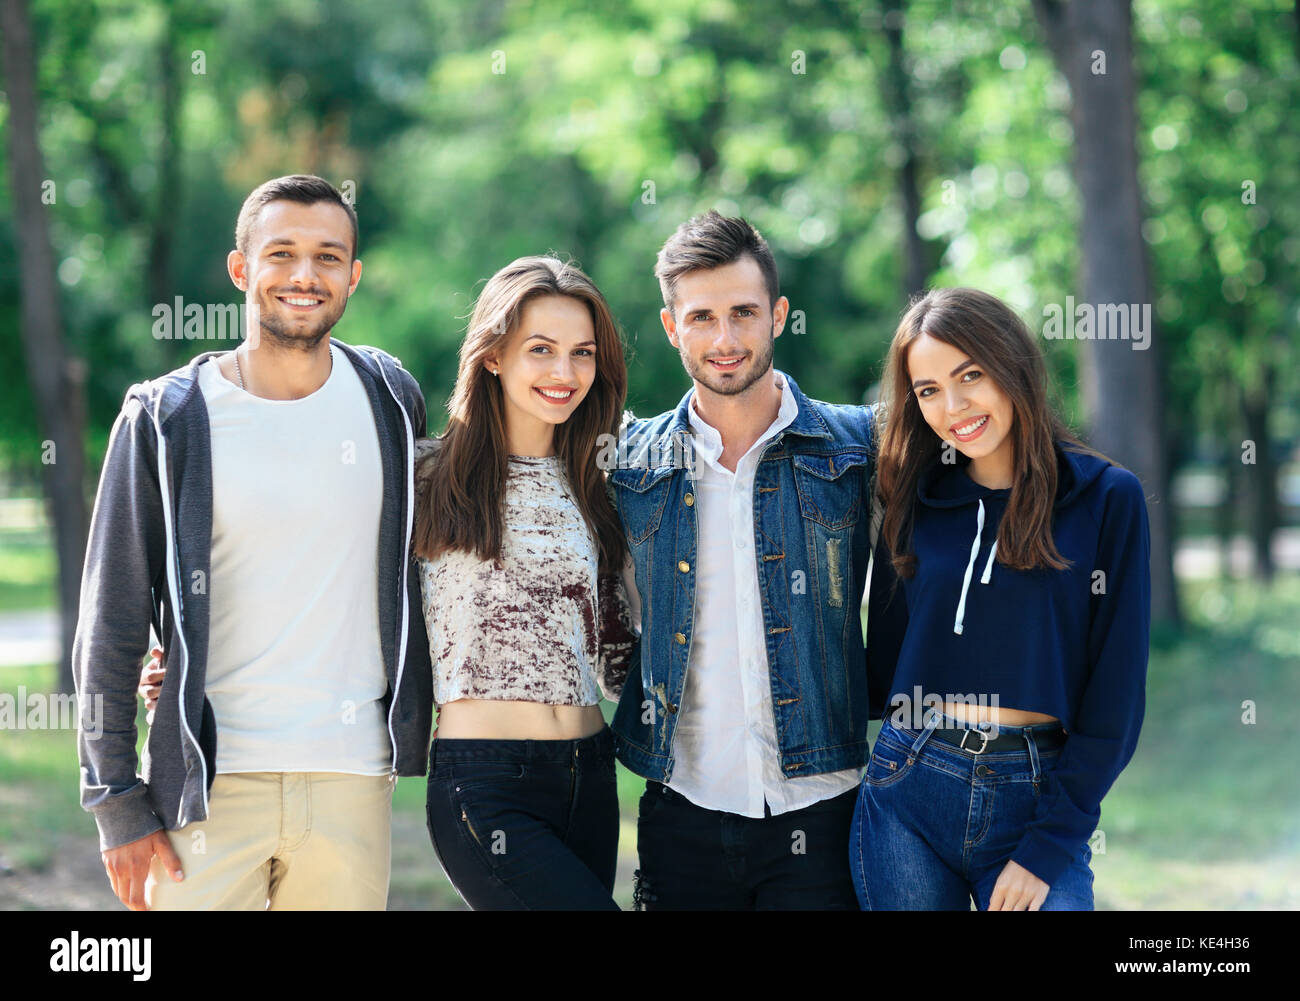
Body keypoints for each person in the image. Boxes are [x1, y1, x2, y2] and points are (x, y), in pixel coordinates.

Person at [75, 174, 432, 911]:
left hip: (352, 779)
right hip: (208, 787)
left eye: (329, 257)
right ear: (242, 270)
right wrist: (116, 801)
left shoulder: (390, 398)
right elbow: (110, 622)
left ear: (353, 276)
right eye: (283, 254)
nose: (305, 275)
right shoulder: (165, 419)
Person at [608, 211, 894, 909]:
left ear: (779, 316)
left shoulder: (857, 448)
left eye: (744, 312)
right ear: (673, 327)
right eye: (702, 317)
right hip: (683, 811)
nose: (726, 339)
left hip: (824, 810)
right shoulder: (629, 463)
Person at [850, 286, 1150, 911]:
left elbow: (1115, 704)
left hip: (1033, 797)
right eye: (928, 390)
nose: (953, 406)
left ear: (1011, 365)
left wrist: (1045, 851)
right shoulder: (915, 498)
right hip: (907, 788)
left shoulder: (1105, 499)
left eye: (970, 375)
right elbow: (885, 665)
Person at [414, 256, 638, 910]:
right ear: (492, 354)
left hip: (590, 775)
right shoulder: (425, 477)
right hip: (484, 783)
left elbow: (619, 647)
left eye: (582, 353)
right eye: (540, 350)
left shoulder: (605, 482)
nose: (563, 373)